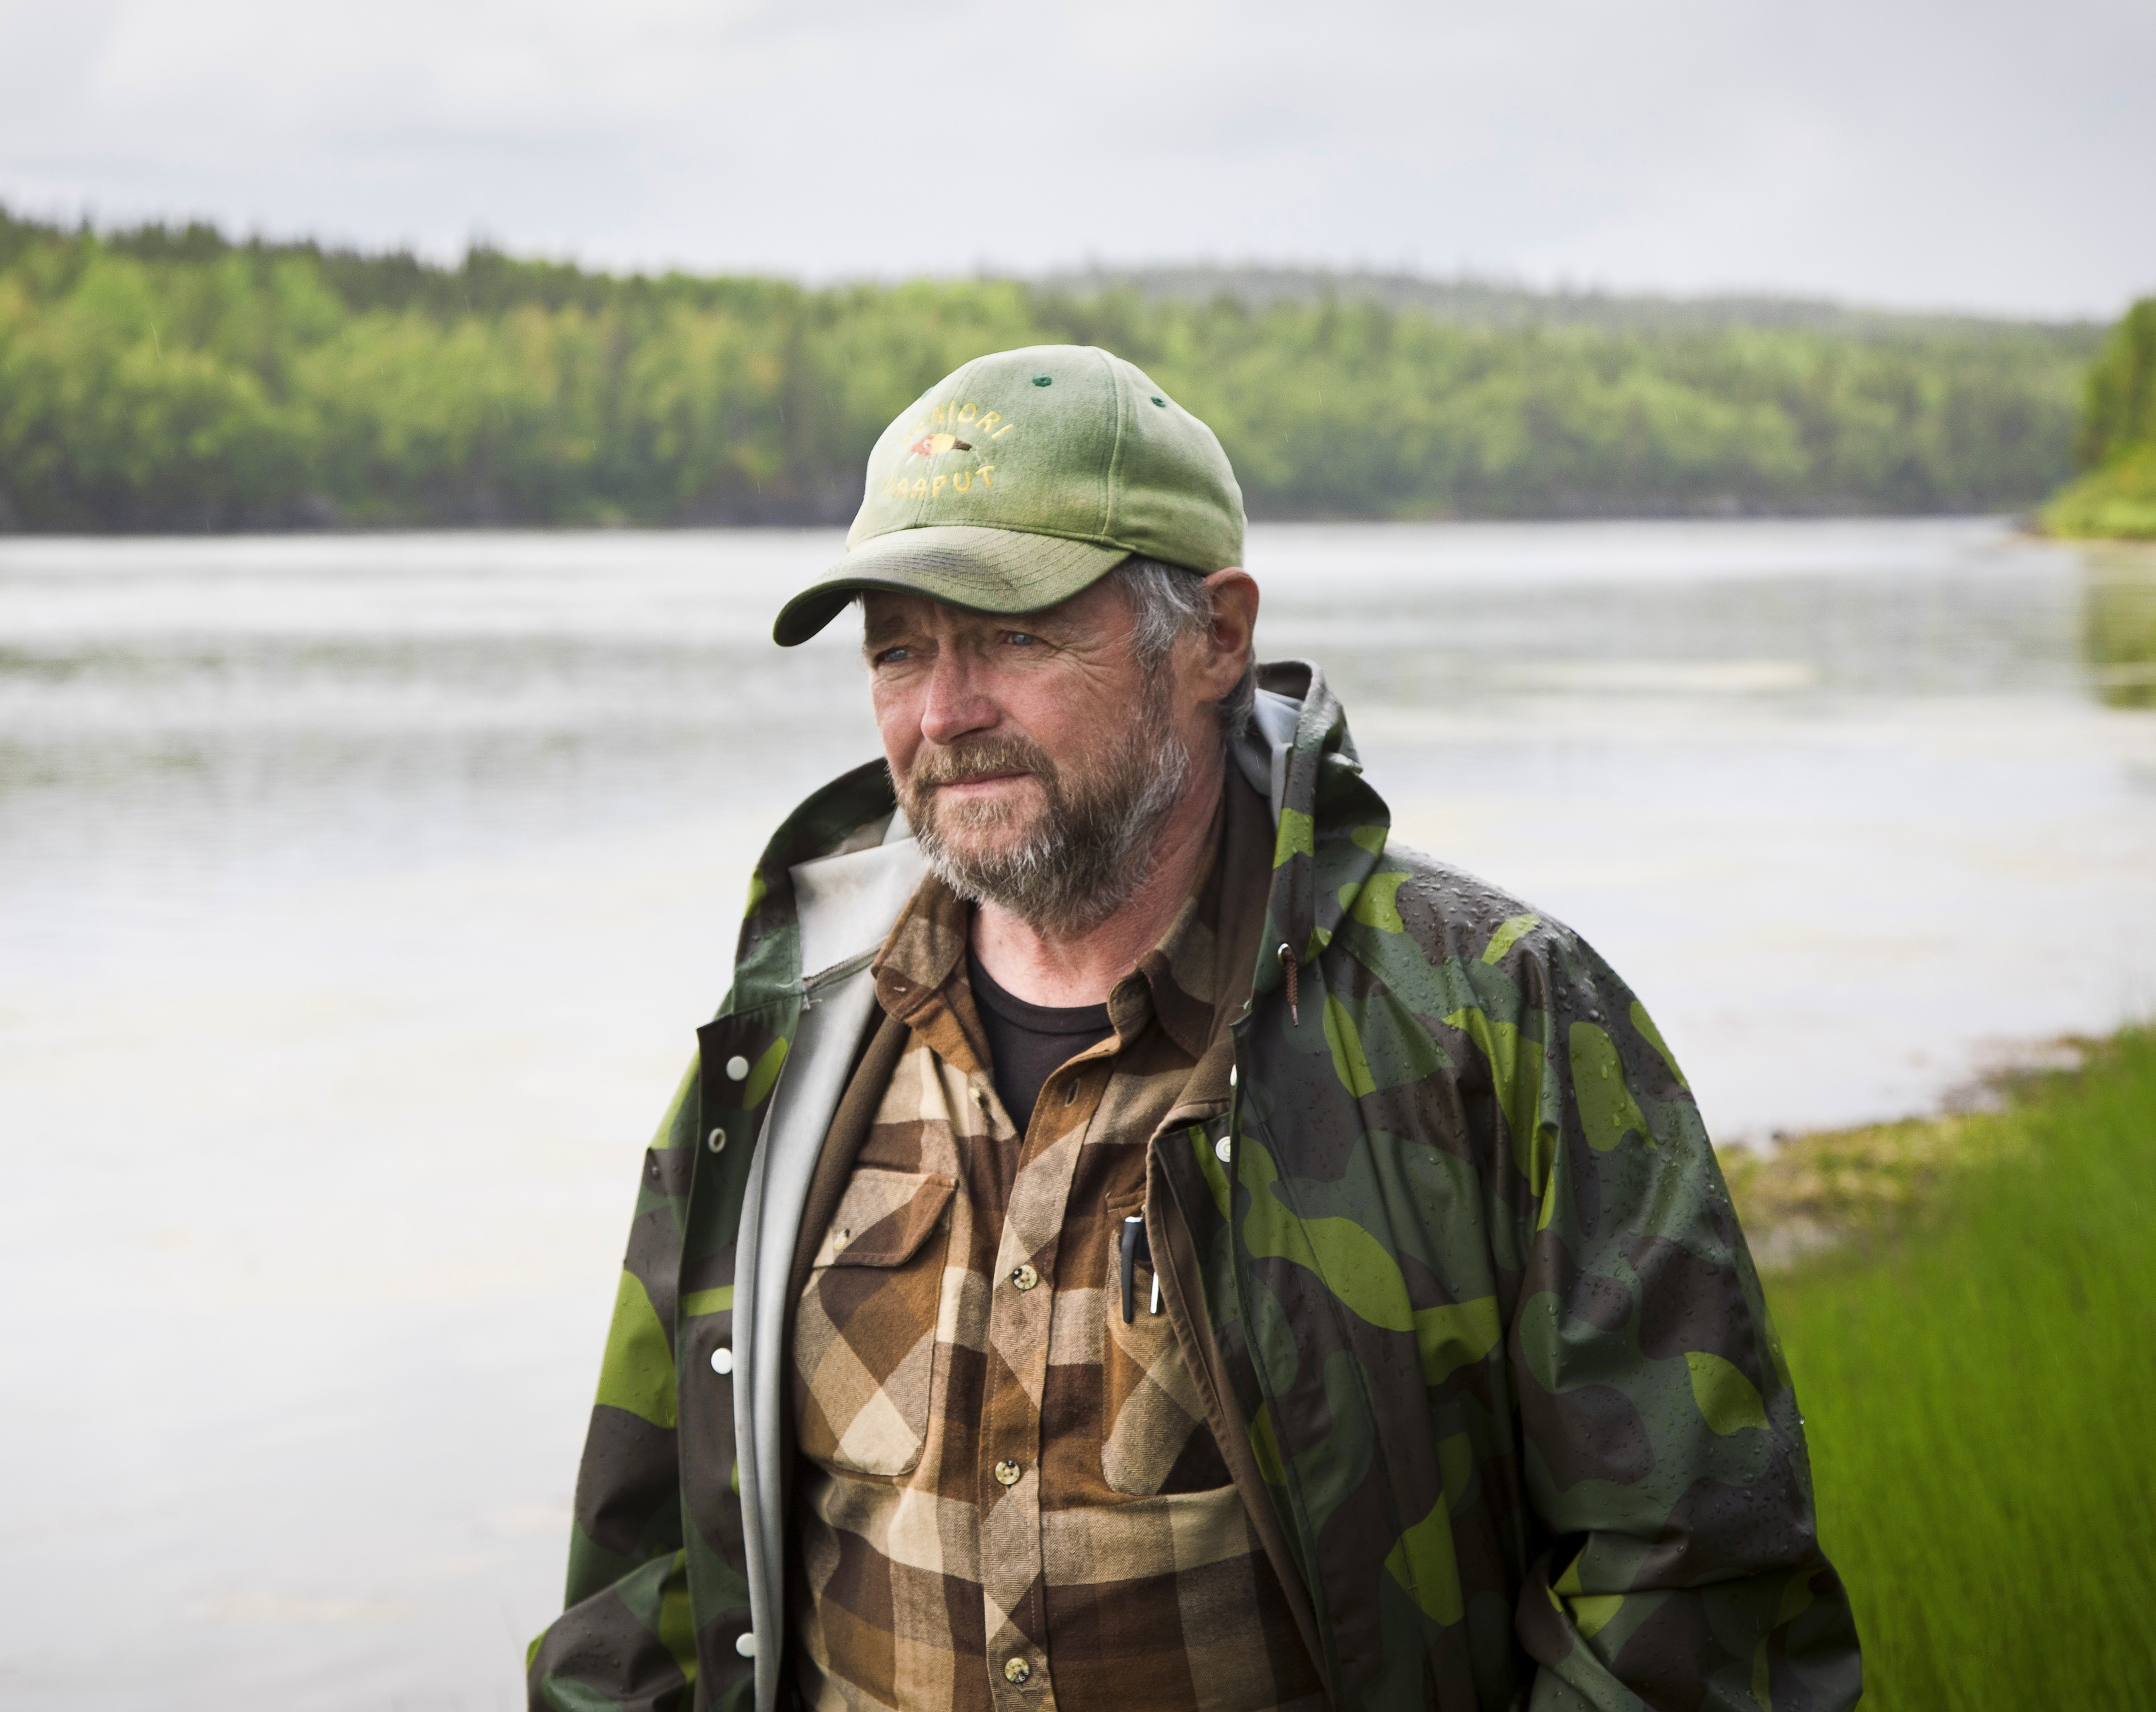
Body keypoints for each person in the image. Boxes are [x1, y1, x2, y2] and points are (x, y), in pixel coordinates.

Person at [526, 345, 1861, 1712]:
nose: (942, 711)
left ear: (1214, 637)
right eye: (899, 651)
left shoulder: (1498, 1026)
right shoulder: (783, 1058)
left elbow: (1693, 1601)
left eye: (1013, 634)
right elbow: (644, 1594)